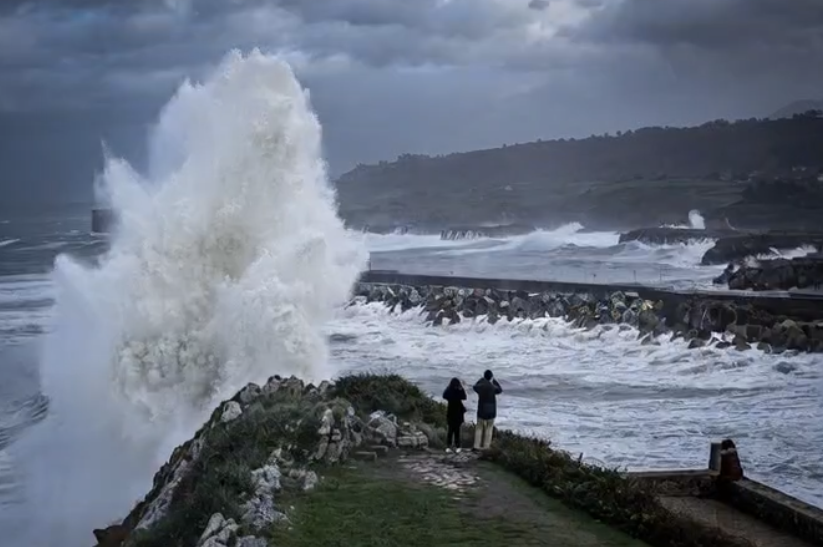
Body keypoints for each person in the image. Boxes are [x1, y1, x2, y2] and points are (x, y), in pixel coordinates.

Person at [473, 369, 502, 450]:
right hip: (491, 411)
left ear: (484, 377)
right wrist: (494, 381)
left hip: (481, 410)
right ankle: (486, 446)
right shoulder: (493, 387)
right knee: (489, 428)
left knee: (479, 428)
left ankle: (476, 446)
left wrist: (481, 379)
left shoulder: (481, 386)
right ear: (491, 377)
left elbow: (474, 387)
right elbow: (500, 390)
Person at [442, 377, 467, 453]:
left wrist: (448, 387)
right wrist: (462, 388)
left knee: (450, 430)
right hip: (458, 413)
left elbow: (444, 395)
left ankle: (448, 446)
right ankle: (457, 446)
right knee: (457, 431)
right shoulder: (458, 391)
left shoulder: (449, 391)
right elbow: (464, 397)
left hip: (450, 412)